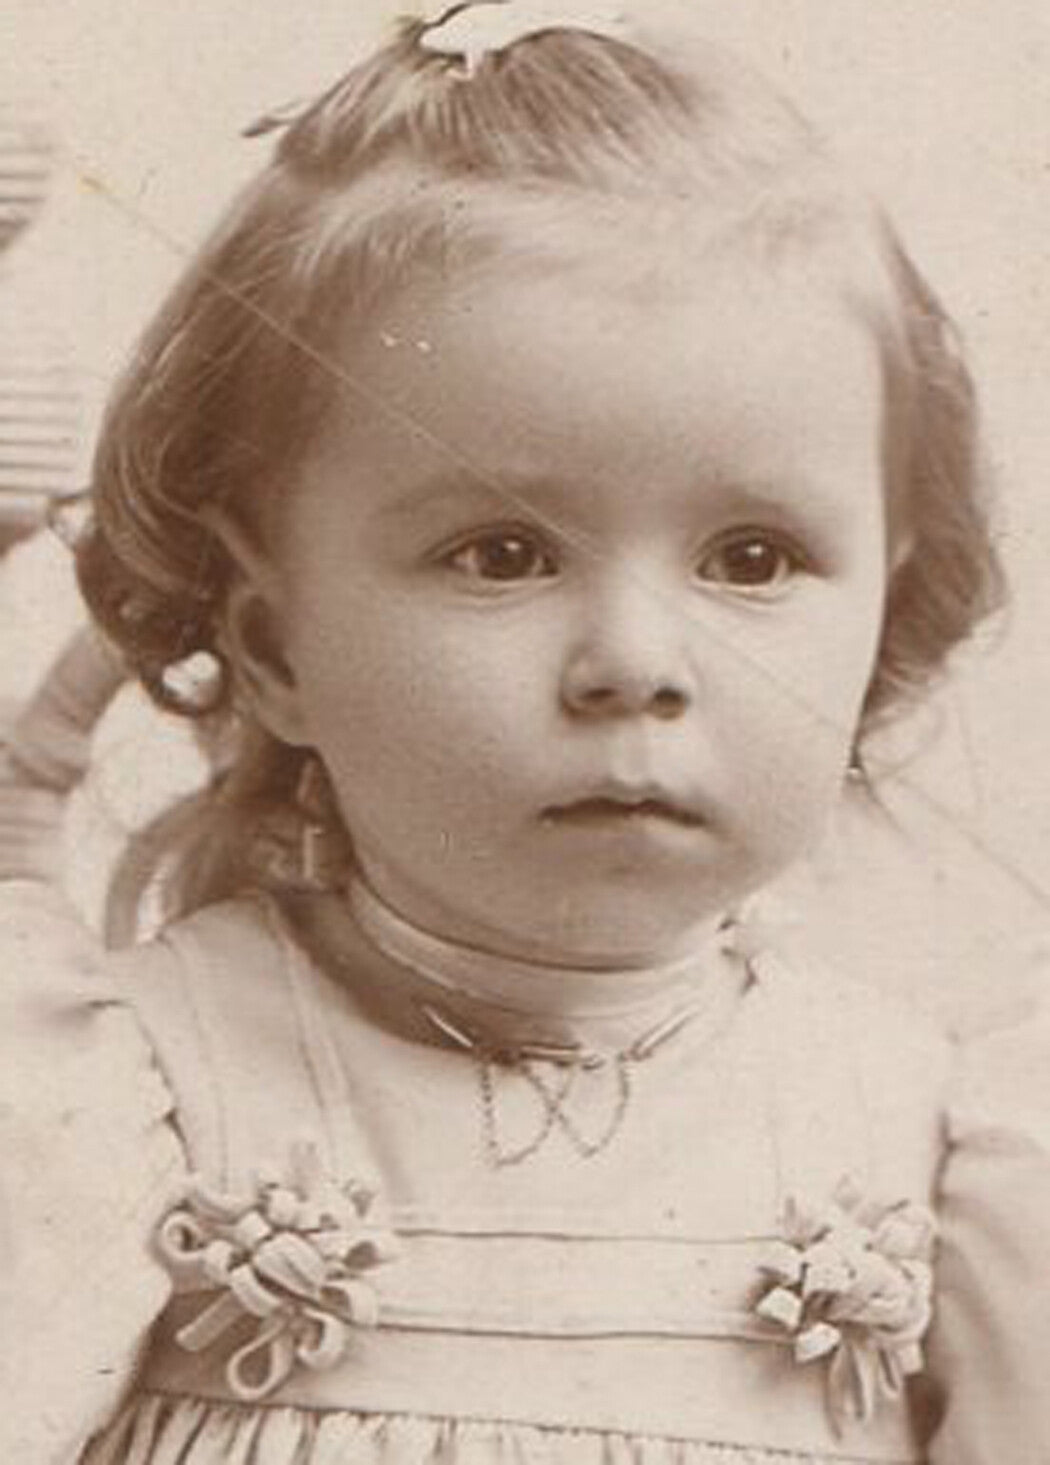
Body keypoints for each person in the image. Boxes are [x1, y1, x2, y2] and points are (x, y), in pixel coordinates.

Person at [1, 4, 1046, 1461]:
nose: (635, 664)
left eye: (751, 558)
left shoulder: (941, 1144)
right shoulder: (121, 1094)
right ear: (272, 646)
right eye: (501, 554)